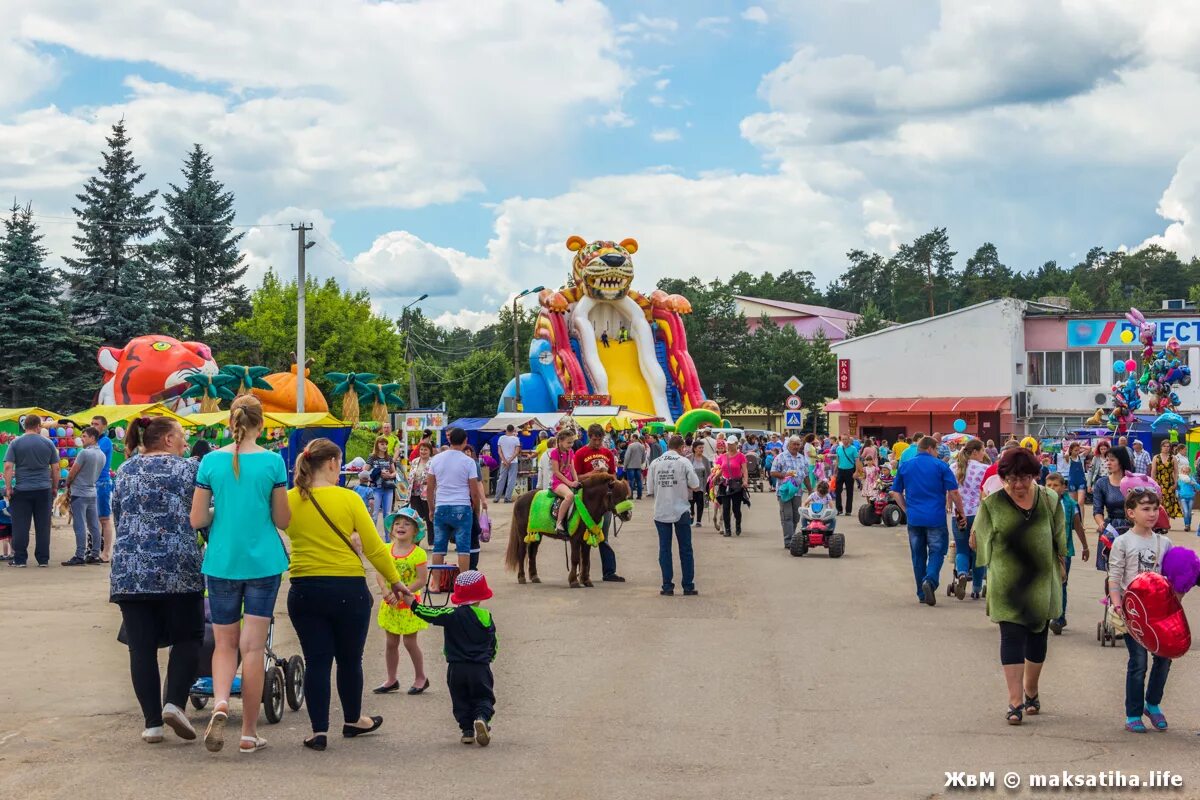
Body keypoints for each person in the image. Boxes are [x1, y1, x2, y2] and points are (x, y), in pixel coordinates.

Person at [285, 437, 404, 750]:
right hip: (348, 589)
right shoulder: (349, 499)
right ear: (333, 463)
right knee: (350, 660)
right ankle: (352, 720)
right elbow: (377, 548)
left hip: (305, 589)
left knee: (317, 661)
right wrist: (395, 581)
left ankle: (318, 731)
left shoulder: (288, 500)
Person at [190, 395, 291, 754]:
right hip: (263, 562)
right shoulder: (274, 462)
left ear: (229, 421)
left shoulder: (210, 463)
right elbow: (282, 520)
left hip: (220, 562)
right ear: (261, 425)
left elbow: (197, 520)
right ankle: (248, 733)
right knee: (252, 648)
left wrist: (222, 512)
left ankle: (219, 702)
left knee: (224, 644)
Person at [109, 416, 204, 744]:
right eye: (181, 436)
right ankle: (175, 703)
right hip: (178, 568)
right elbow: (202, 512)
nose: (184, 441)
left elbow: (119, 514)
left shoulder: (125, 470)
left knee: (141, 648)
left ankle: (152, 724)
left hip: (129, 572)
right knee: (189, 637)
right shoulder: (187, 469)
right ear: (166, 439)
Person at [971, 447, 1067, 726]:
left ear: (1035, 476)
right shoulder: (993, 504)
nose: (1018, 485)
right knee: (1011, 637)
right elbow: (979, 539)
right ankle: (1015, 701)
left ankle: (1031, 690)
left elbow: (1060, 534)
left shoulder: (1049, 499)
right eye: (1011, 478)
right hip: (1006, 583)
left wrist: (1061, 560)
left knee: (1037, 639)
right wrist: (976, 544)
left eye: (1024, 478)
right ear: (1003, 478)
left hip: (1041, 580)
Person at [397, 570, 497, 746]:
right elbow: (493, 643)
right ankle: (482, 718)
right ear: (480, 597)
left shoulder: (451, 614)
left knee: (460, 699)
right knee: (484, 698)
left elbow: (428, 613)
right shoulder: (487, 617)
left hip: (456, 669)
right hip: (480, 668)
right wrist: (489, 658)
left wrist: (412, 604)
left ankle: (467, 731)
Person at [1108, 489, 1173, 733]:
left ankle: (1152, 704)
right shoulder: (1123, 541)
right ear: (1131, 513)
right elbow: (1115, 577)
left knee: (1164, 659)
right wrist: (1117, 603)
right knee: (1138, 661)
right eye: (1146, 509)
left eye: (1155, 509)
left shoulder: (1164, 542)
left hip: (1158, 612)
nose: (1152, 513)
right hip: (1132, 612)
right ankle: (1133, 713)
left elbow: (1171, 578)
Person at [890, 436, 966, 606]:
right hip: (936, 518)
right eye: (937, 449)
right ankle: (930, 581)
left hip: (914, 518)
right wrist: (960, 513)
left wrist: (906, 509)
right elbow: (954, 493)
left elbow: (895, 493)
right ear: (931, 448)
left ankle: (921, 593)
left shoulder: (906, 466)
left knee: (918, 555)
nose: (938, 453)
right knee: (937, 552)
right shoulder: (941, 466)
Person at [373, 509, 430, 695]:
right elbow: (380, 572)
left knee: (410, 642)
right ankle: (391, 679)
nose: (401, 527)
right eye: (397, 523)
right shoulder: (386, 549)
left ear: (415, 531)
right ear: (391, 529)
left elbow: (421, 580)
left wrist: (404, 592)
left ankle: (421, 677)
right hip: (390, 603)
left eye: (407, 524)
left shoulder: (418, 554)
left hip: (409, 604)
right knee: (390, 643)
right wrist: (385, 590)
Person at [426, 427, 481, 583]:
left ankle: (436, 584)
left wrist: (431, 508)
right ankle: (463, 584)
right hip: (462, 507)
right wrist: (476, 509)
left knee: (439, 547)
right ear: (465, 441)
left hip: (441, 507)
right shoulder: (469, 462)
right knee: (464, 548)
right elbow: (474, 492)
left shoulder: (436, 459)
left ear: (449, 440)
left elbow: (430, 488)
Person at [647, 434, 700, 597]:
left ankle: (667, 585)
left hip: (661, 510)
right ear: (682, 447)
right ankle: (688, 586)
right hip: (681, 509)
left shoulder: (655, 463)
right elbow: (695, 484)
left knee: (664, 549)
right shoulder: (684, 462)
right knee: (685, 549)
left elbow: (650, 489)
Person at [3, 414, 58, 568]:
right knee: (43, 526)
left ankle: (20, 559)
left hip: (22, 490)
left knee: (21, 525)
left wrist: (8, 488)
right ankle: (43, 559)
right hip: (43, 489)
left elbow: (8, 467)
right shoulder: (48, 443)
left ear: (24, 426)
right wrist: (54, 487)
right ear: (38, 426)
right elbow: (56, 468)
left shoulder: (15, 443)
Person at [573, 424, 624, 582]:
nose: (597, 443)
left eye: (600, 439)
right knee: (580, 537)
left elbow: (614, 475)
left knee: (602, 535)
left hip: (605, 501)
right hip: (586, 501)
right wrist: (592, 474)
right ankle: (582, 572)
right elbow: (576, 477)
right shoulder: (581, 453)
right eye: (594, 439)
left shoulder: (607, 452)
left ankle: (609, 572)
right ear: (589, 437)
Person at [1045, 472, 1090, 635]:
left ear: (1063, 488)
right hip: (1043, 549)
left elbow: (1078, 526)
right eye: (1048, 485)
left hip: (1064, 551)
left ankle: (1059, 617)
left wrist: (1085, 546)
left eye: (1055, 485)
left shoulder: (1070, 504)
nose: (1052, 488)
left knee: (1061, 583)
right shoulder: (1040, 502)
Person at [62, 426, 106, 566]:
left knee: (79, 525)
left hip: (79, 493)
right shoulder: (102, 455)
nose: (82, 438)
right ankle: (95, 554)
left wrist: (68, 483)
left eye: (85, 436)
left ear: (93, 438)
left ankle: (79, 555)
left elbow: (73, 471)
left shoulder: (84, 453)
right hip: (92, 492)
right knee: (94, 525)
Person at [951, 439, 989, 600]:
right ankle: (976, 587)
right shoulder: (984, 469)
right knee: (978, 551)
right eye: (982, 451)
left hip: (959, 513)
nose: (984, 454)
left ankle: (961, 573)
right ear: (974, 452)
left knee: (961, 548)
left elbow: (950, 491)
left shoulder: (954, 467)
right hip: (978, 514)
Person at [770, 435, 811, 549]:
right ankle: (789, 541)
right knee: (787, 516)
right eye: (794, 444)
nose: (796, 447)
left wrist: (811, 490)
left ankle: (792, 537)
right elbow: (773, 472)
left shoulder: (802, 458)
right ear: (789, 445)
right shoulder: (780, 457)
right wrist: (785, 475)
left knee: (796, 517)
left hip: (797, 492)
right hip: (784, 492)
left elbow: (806, 475)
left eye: (798, 444)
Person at [1092, 446, 1133, 535]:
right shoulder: (1101, 483)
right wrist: (1101, 523)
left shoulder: (1133, 482)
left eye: (1112, 460)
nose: (1108, 463)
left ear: (1121, 461)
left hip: (1132, 528)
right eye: (1107, 460)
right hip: (1110, 529)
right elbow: (1097, 509)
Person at [92, 415, 115, 561]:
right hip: (92, 483)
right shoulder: (93, 442)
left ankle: (106, 553)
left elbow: (94, 456)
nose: (93, 426)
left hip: (102, 483)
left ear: (104, 426)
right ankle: (95, 550)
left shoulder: (105, 441)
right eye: (92, 423)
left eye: (97, 424)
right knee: (94, 519)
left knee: (105, 519)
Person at [715, 436, 749, 537]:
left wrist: (745, 481)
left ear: (736, 444)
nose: (730, 446)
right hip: (725, 484)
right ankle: (728, 529)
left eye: (732, 444)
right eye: (728, 444)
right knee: (725, 508)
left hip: (737, 485)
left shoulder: (741, 456)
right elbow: (722, 468)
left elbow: (745, 470)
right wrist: (715, 477)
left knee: (736, 509)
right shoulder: (723, 456)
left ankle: (738, 525)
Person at [365, 437, 399, 533]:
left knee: (387, 515)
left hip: (388, 489)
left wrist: (389, 475)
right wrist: (376, 473)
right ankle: (373, 538)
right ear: (377, 445)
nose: (385, 446)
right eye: (382, 444)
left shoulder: (389, 457)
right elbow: (364, 471)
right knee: (374, 514)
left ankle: (388, 541)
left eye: (386, 444)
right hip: (375, 489)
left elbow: (395, 472)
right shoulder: (372, 457)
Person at [406, 441, 434, 527]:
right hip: (414, 493)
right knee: (416, 519)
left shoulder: (433, 462)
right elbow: (410, 476)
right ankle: (416, 540)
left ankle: (431, 540)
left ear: (430, 451)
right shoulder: (414, 461)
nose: (423, 452)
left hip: (427, 495)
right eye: (421, 449)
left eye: (425, 450)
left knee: (430, 520)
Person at [1152, 440, 1181, 519]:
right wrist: (1152, 483)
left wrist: (1175, 482)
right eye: (1164, 446)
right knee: (1159, 501)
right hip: (1159, 483)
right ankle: (1159, 519)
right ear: (1161, 447)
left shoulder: (1173, 458)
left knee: (1169, 502)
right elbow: (1153, 472)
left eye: (1168, 446)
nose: (1166, 448)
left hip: (1169, 483)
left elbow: (1176, 472)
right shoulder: (1156, 457)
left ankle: (1166, 520)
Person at [493, 425, 522, 503]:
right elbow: (516, 452)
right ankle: (507, 498)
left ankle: (497, 498)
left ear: (506, 430)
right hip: (513, 462)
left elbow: (499, 452)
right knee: (511, 480)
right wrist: (509, 460)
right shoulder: (516, 439)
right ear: (513, 430)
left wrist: (505, 461)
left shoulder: (501, 438)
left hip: (503, 462)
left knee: (501, 479)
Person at [833, 433, 859, 516]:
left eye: (846, 439)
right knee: (837, 491)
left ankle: (848, 510)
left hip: (850, 471)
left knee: (849, 491)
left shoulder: (853, 449)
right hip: (840, 471)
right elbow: (837, 459)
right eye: (843, 439)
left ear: (849, 440)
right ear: (841, 440)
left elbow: (857, 461)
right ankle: (839, 509)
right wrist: (835, 470)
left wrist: (856, 472)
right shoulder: (838, 448)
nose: (844, 441)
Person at [688, 442, 711, 528]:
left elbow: (709, 473)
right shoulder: (689, 458)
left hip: (701, 485)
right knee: (690, 503)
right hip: (691, 486)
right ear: (694, 448)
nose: (701, 449)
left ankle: (698, 521)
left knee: (700, 503)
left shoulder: (705, 460)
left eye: (702, 448)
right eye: (699, 448)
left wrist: (709, 485)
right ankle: (692, 515)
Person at [622, 434, 647, 499]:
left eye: (631, 438)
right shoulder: (642, 446)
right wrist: (640, 462)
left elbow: (627, 457)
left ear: (634, 438)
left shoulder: (630, 446)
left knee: (631, 481)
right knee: (639, 481)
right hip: (638, 466)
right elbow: (644, 457)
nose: (631, 439)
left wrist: (625, 466)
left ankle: (631, 495)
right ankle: (639, 495)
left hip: (630, 466)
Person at [1064, 442, 1087, 511]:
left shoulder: (1081, 457)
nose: (1077, 452)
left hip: (1081, 481)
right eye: (1075, 450)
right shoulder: (1069, 459)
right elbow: (1066, 455)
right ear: (1071, 450)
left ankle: (1081, 521)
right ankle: (1074, 521)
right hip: (1072, 482)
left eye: (1078, 450)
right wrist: (1069, 448)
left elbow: (1089, 449)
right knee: (1073, 503)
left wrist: (1081, 446)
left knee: (1080, 503)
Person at [1177, 465, 1197, 533]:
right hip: (1183, 498)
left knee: (1189, 512)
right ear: (1181, 471)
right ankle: (1187, 525)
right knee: (1185, 512)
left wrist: (1193, 483)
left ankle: (1189, 524)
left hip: (1191, 497)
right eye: (1184, 471)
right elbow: (1178, 488)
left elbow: (1198, 487)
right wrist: (1177, 493)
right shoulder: (1179, 479)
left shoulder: (1191, 478)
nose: (1185, 473)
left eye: (1187, 472)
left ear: (1189, 472)